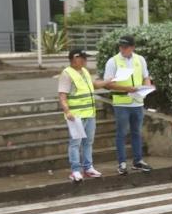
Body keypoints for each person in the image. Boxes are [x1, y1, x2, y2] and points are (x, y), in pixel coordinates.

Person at [102, 35, 152, 175]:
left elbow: (146, 76)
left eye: (126, 46)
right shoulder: (113, 61)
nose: (122, 49)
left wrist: (146, 88)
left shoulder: (140, 59)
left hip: (137, 102)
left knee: (136, 132)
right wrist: (127, 89)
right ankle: (122, 163)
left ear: (132, 47)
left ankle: (138, 161)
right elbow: (108, 84)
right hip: (121, 103)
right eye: (121, 46)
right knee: (121, 133)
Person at [59, 48, 102, 183]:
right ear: (74, 58)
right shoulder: (67, 74)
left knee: (88, 142)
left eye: (85, 58)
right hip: (75, 116)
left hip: (89, 113)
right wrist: (67, 111)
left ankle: (88, 167)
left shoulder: (85, 72)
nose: (85, 60)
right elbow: (62, 95)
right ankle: (75, 170)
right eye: (82, 58)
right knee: (75, 143)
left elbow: (91, 87)